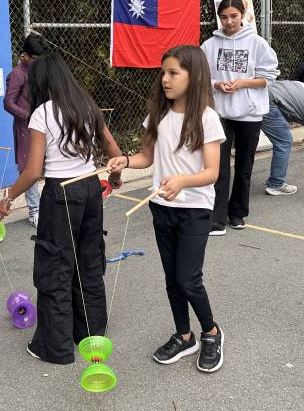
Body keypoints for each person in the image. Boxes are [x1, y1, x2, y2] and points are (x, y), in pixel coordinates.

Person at [0, 52, 122, 365]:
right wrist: (115, 178)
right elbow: (113, 149)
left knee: (56, 267)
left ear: (41, 82)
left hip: (61, 193)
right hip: (91, 188)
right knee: (89, 261)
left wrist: (8, 197)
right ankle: (91, 334)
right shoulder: (87, 105)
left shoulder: (42, 113)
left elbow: (33, 171)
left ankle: (56, 347)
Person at [107, 45, 225, 373]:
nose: (165, 79)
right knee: (172, 278)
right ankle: (184, 335)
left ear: (194, 76)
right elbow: (147, 157)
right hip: (161, 207)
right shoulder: (158, 114)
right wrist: (125, 161)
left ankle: (211, 332)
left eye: (173, 73)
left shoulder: (207, 118)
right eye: (163, 73)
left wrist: (183, 181)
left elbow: (212, 172)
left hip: (195, 209)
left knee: (188, 278)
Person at [201, 0, 279, 234]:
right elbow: (201, 76)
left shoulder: (257, 43)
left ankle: (237, 213)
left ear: (243, 15)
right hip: (219, 113)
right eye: (224, 17)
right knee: (218, 166)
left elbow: (269, 78)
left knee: (245, 165)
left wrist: (244, 83)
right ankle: (216, 218)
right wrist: (216, 85)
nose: (229, 21)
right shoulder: (209, 45)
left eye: (233, 16)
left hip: (249, 114)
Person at [4, 34, 49, 228]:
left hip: (46, 123)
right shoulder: (17, 74)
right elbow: (8, 102)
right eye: (36, 58)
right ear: (26, 56)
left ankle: (48, 206)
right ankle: (34, 211)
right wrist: (28, 116)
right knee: (30, 168)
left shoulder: (41, 70)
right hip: (26, 128)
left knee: (49, 163)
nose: (39, 62)